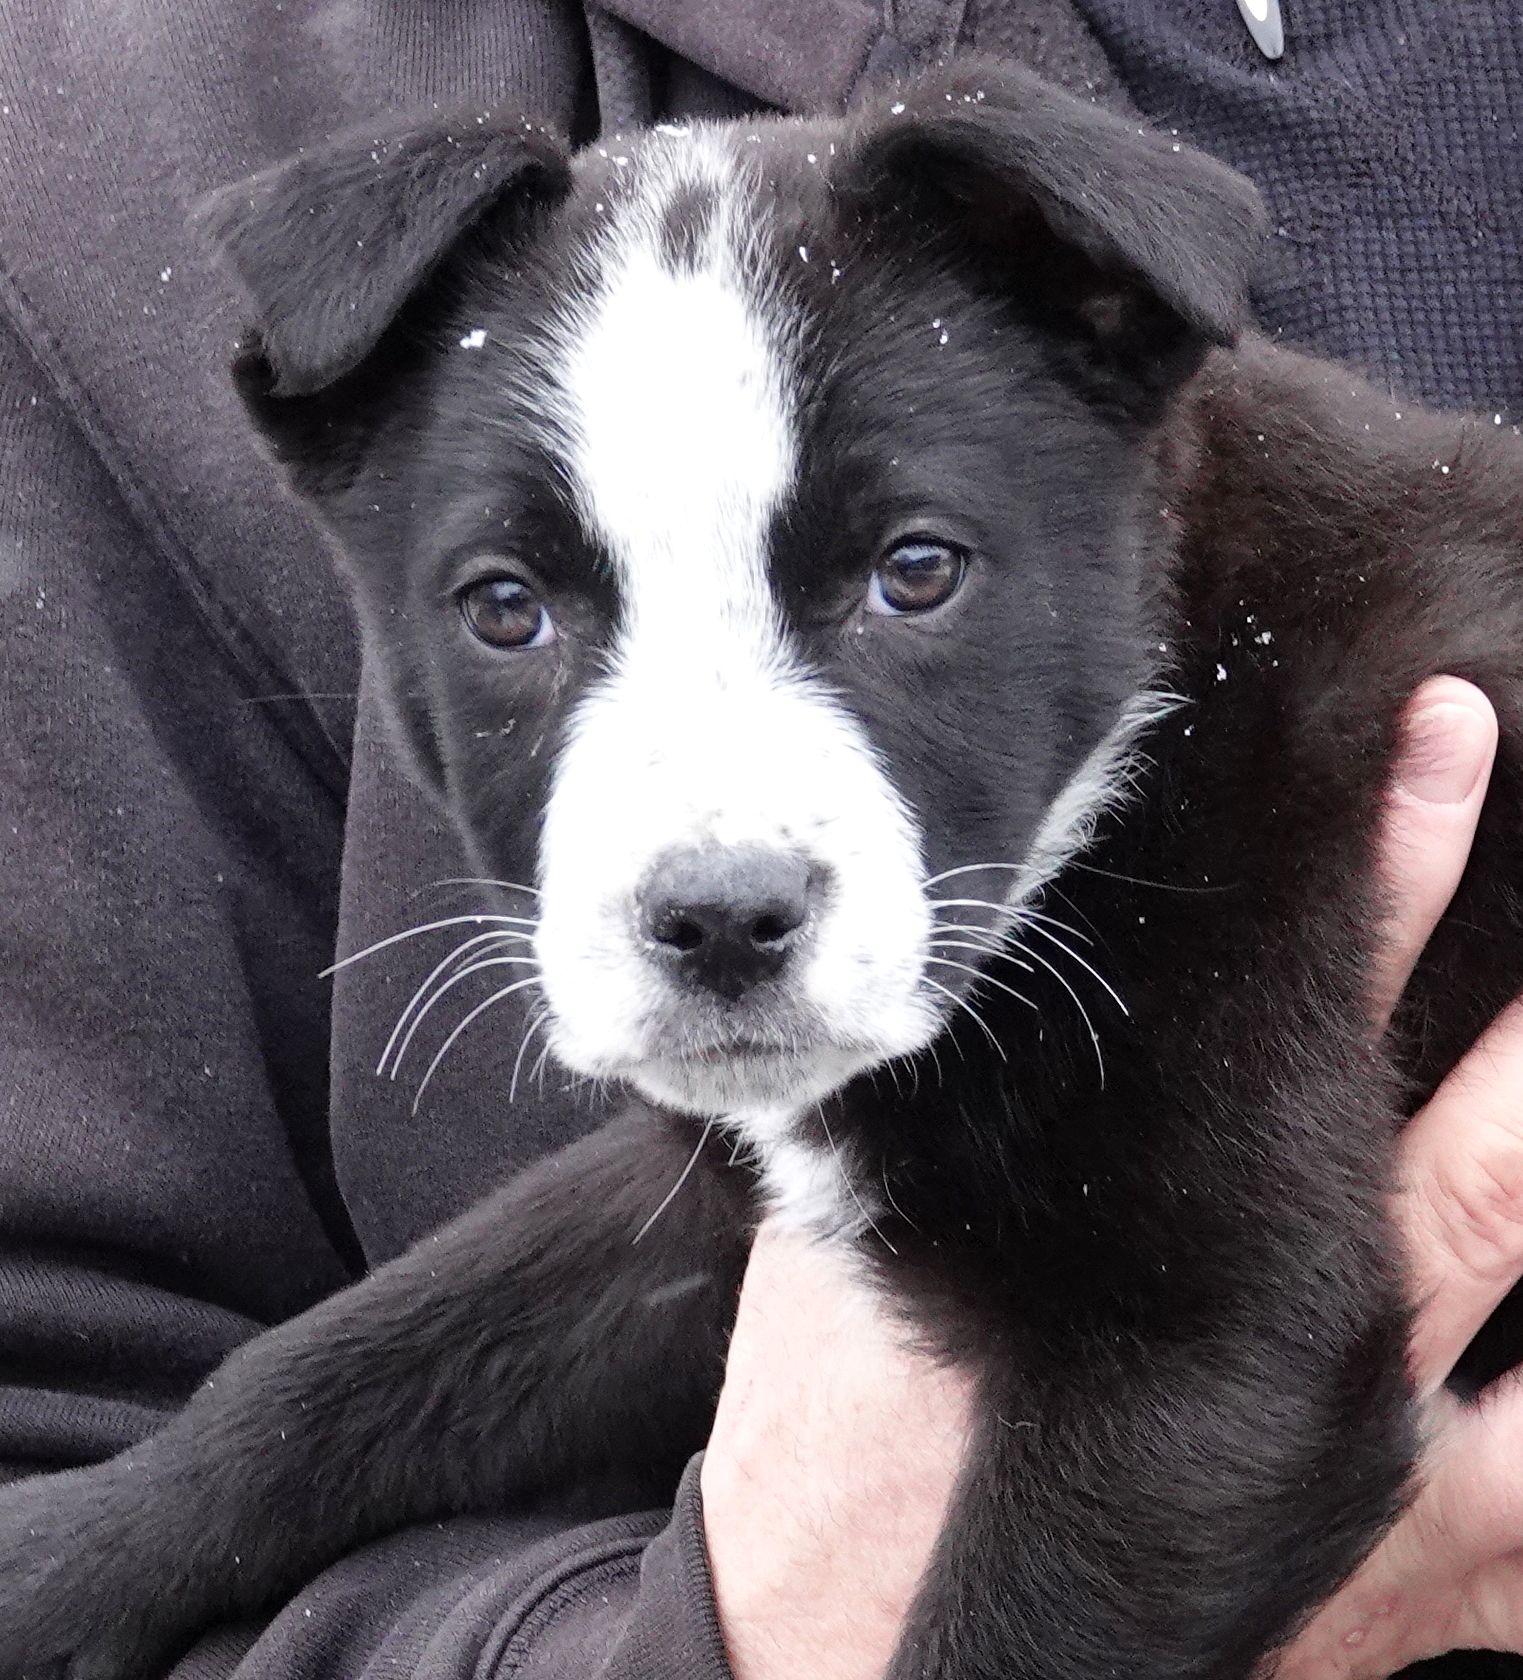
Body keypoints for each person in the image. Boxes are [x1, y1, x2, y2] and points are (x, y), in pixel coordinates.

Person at [0, 3, 1519, 1677]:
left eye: (910, 576)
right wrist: (202, 1499)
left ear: (1122, 353)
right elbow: (733, 1214)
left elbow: (1189, 1357)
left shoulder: (1325, 714)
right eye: (514, 607)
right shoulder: (130, 124)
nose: (718, 844)